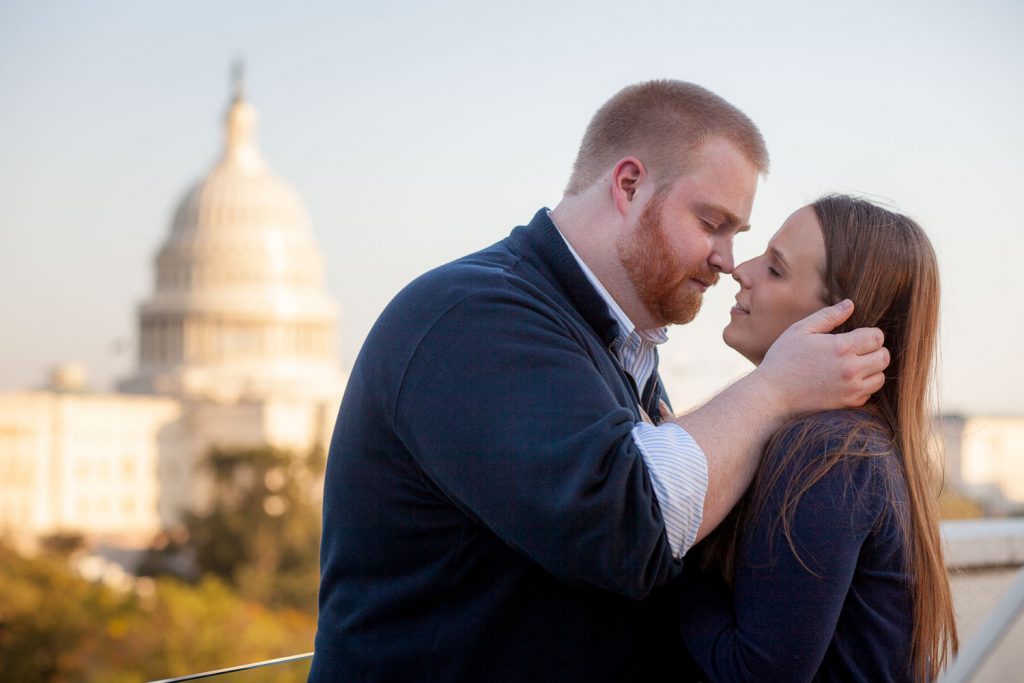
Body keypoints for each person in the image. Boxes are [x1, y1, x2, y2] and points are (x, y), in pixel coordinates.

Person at [308, 81, 889, 682]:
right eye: (712, 223)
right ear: (629, 184)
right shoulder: (475, 316)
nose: (726, 259)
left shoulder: (611, 343)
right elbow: (628, 527)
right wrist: (775, 391)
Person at [676, 195, 959, 681]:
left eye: (776, 269)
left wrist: (660, 539)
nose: (740, 269)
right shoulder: (847, 446)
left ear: (837, 324)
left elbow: (755, 674)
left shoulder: (831, 454)